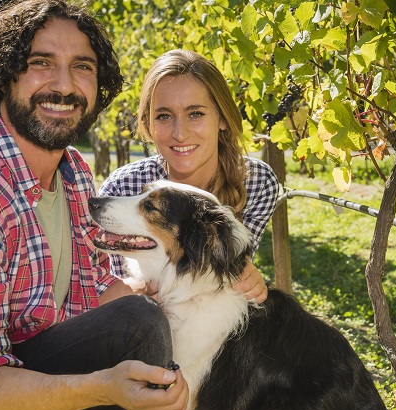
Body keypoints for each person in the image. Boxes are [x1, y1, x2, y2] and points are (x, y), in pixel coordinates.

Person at [0, 1, 194, 410]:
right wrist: (103, 386)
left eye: (82, 67)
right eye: (41, 63)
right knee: (139, 323)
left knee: (144, 317)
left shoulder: (73, 172)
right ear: (4, 75)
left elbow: (94, 292)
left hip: (36, 382)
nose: (64, 85)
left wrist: (196, 292)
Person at [98, 50, 280, 297]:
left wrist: (246, 276)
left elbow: (227, 276)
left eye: (195, 114)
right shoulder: (123, 187)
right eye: (164, 116)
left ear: (223, 119)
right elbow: (119, 284)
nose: (180, 133)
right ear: (148, 124)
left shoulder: (256, 181)